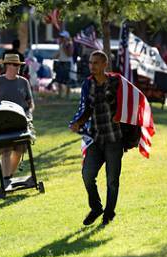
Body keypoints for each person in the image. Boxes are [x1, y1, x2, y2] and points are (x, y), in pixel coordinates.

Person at [69, 50, 124, 226]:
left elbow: (127, 104)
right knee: (87, 175)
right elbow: (87, 108)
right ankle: (96, 207)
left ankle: (108, 214)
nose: (92, 66)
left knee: (112, 180)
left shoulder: (116, 82)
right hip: (95, 138)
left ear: (104, 64)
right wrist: (78, 122)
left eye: (96, 63)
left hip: (114, 139)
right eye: (91, 63)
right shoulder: (88, 84)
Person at [0, 54, 35, 179]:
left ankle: (8, 177)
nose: (18, 67)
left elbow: (31, 103)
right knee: (5, 151)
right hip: (3, 121)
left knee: (19, 151)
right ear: (7, 65)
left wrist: (29, 114)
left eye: (18, 65)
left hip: (21, 121)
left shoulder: (24, 82)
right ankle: (6, 180)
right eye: (15, 64)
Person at [55, 30, 74, 98]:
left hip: (67, 63)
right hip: (61, 62)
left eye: (63, 37)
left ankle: (67, 95)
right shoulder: (61, 44)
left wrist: (64, 47)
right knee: (59, 79)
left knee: (67, 80)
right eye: (61, 37)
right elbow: (59, 54)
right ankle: (59, 94)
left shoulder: (69, 44)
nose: (61, 38)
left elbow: (69, 54)